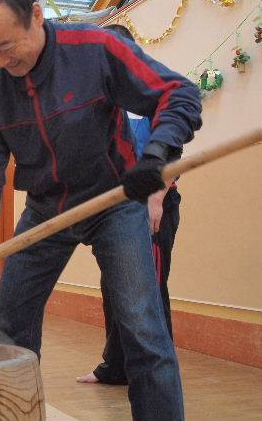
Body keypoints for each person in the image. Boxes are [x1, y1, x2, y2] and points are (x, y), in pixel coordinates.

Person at [0, 0, 201, 421]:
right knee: (7, 331)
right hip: (45, 209)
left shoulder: (95, 48)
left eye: (6, 46)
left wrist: (157, 153)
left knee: (143, 330)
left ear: (37, 16)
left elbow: (177, 93)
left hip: (114, 202)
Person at [77, 24, 182, 386]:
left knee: (148, 289)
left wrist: (155, 201)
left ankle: (155, 372)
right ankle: (116, 366)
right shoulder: (101, 99)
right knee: (114, 287)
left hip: (154, 204)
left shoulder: (154, 92)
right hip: (114, 210)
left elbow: (170, 157)